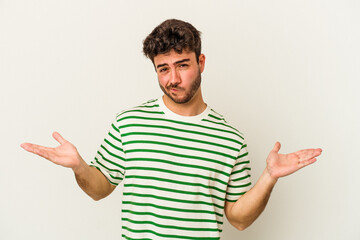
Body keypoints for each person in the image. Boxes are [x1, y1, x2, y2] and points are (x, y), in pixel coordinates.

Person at [21, 19, 322, 239]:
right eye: (163, 69)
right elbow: (100, 189)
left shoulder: (230, 140)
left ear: (201, 62)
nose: (173, 79)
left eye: (183, 65)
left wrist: (269, 177)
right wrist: (79, 167)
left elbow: (239, 220)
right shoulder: (129, 124)